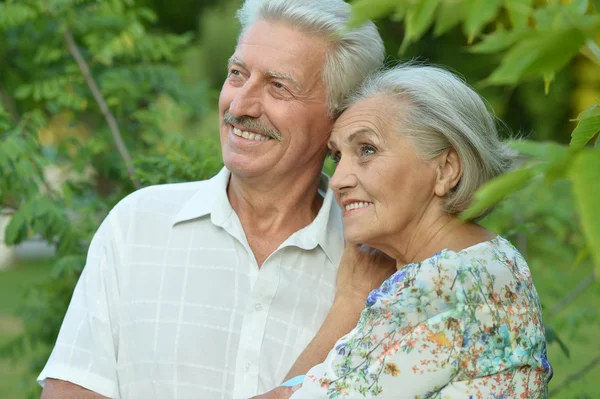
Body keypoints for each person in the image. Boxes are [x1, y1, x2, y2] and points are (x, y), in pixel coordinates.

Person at [37, 1, 386, 398]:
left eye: (278, 87)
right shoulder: (137, 225)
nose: (239, 106)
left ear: (339, 118)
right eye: (237, 74)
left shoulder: (380, 261)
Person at [264, 65, 554, 398]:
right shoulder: (500, 260)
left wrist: (352, 298)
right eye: (337, 156)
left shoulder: (437, 286)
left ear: (446, 169)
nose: (340, 179)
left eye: (367, 150)